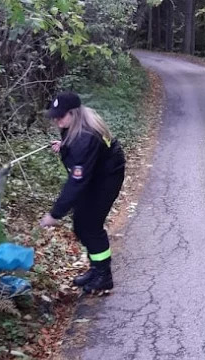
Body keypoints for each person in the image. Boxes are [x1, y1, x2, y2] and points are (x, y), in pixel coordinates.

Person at [40, 91, 126, 294]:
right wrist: (64, 146)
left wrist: (54, 214)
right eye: (55, 116)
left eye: (61, 116)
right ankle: (97, 268)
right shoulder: (76, 127)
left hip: (107, 178)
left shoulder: (85, 137)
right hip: (97, 174)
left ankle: (104, 276)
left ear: (73, 113)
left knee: (90, 226)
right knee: (81, 223)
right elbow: (81, 154)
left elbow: (76, 182)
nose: (57, 122)